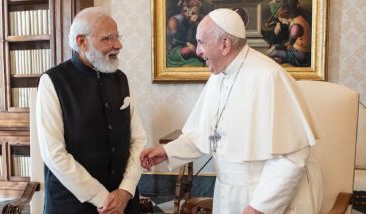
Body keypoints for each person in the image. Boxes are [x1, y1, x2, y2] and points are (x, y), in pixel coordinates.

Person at [141, 8, 323, 214]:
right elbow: (206, 133)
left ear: (225, 44)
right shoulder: (219, 75)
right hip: (226, 191)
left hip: (262, 196)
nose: (197, 50)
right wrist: (167, 151)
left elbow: (292, 155)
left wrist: (260, 207)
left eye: (201, 42)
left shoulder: (268, 77)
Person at [36, 7, 147, 214]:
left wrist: (125, 190)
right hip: (72, 205)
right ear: (82, 42)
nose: (118, 45)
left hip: (124, 202)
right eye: (108, 39)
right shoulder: (53, 82)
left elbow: (138, 139)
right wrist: (103, 198)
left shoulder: (121, 79)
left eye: (117, 37)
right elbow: (54, 153)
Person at [266, 0, 311, 66]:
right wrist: (275, 47)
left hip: (301, 56)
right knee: (274, 48)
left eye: (282, 20)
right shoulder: (298, 19)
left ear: (286, 16)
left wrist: (276, 48)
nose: (282, 22)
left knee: (274, 53)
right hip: (298, 51)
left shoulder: (295, 26)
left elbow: (289, 46)